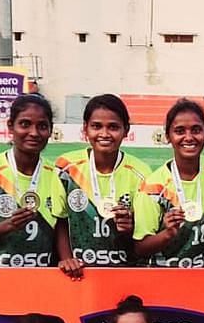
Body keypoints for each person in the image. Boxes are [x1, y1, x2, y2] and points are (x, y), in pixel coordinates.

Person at [0, 93, 71, 274]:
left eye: (42, 126)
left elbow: (60, 225)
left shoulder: (58, 176)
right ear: (11, 126)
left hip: (41, 278)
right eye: (25, 124)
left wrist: (66, 258)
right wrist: (9, 225)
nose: (34, 133)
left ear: (51, 130)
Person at [55, 94, 151, 269]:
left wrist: (129, 228)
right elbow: (60, 220)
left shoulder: (141, 172)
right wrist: (67, 258)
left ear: (126, 130)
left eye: (113, 127)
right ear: (85, 129)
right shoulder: (66, 167)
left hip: (125, 268)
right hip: (79, 269)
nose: (104, 134)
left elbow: (145, 233)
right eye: (96, 126)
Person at [133, 99, 204, 267]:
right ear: (168, 136)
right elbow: (140, 248)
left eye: (196, 130)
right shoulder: (153, 187)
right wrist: (167, 234)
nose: (189, 137)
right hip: (164, 280)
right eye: (180, 131)